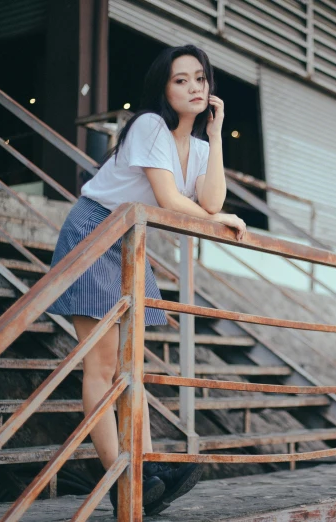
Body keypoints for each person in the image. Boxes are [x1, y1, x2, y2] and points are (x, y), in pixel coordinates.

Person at [47, 44, 247, 517]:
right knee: (101, 366)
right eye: (181, 80)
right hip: (93, 230)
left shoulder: (196, 147)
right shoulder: (147, 126)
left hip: (128, 238)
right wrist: (224, 221)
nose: (194, 87)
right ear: (163, 88)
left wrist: (216, 137)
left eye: (200, 78)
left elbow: (211, 201)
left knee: (130, 364)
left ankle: (146, 468)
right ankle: (122, 476)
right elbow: (169, 200)